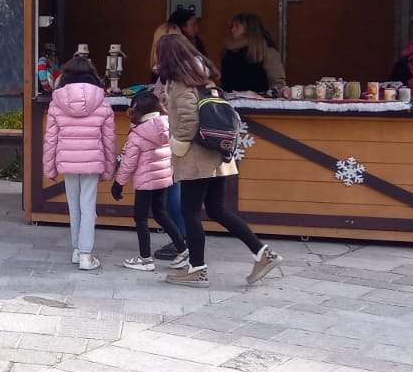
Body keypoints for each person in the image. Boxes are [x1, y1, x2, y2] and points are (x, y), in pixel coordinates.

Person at [157, 32, 283, 288]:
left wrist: (176, 146)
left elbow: (188, 121)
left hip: (196, 156)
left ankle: (197, 269)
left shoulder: (181, 83)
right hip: (219, 153)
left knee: (190, 211)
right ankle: (262, 253)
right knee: (217, 209)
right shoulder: (203, 77)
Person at [41, 54, 116, 272]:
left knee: (74, 207)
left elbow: (50, 139)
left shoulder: (57, 101)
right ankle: (86, 255)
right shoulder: (102, 101)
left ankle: (76, 250)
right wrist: (109, 168)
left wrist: (49, 167)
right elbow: (109, 139)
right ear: (91, 74)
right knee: (88, 206)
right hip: (92, 162)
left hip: (68, 162)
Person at [110, 90, 188, 271]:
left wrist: (118, 184)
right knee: (161, 214)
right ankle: (183, 250)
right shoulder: (167, 125)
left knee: (141, 218)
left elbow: (128, 163)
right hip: (163, 179)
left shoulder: (137, 134)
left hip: (145, 182)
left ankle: (145, 259)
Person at [146, 20, 189, 259]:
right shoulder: (189, 70)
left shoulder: (175, 77)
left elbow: (170, 104)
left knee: (174, 189)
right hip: (178, 139)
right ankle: (183, 240)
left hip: (176, 139)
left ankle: (181, 241)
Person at [221, 12, 286, 95]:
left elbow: (277, 82)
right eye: (232, 27)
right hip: (231, 100)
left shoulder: (265, 52)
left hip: (259, 102)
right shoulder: (228, 51)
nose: (232, 30)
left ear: (249, 29)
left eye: (237, 27)